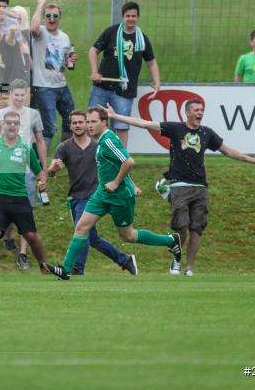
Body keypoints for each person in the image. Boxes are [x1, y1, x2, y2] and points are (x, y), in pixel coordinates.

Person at [105, 99, 255, 276]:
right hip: (179, 185)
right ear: (187, 112)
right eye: (196, 110)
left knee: (197, 228)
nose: (200, 113)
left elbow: (229, 152)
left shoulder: (207, 133)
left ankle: (189, 267)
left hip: (200, 187)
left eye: (202, 110)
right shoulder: (175, 129)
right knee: (181, 226)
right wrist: (115, 116)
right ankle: (177, 257)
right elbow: (144, 123)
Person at [45, 107, 182, 281]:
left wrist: (118, 182)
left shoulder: (109, 140)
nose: (89, 125)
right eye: (88, 121)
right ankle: (66, 270)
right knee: (82, 227)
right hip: (102, 194)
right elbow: (118, 164)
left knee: (129, 235)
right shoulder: (100, 141)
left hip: (119, 197)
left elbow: (128, 161)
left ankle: (171, 241)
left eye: (93, 122)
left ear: (104, 122)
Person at [48, 110, 136, 276]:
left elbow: (120, 165)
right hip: (75, 197)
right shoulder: (64, 147)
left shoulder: (98, 146)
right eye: (75, 123)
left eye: (83, 122)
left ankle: (75, 269)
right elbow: (50, 172)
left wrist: (131, 184)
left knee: (82, 231)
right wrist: (53, 169)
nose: (80, 125)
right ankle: (125, 260)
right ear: (70, 125)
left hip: (95, 196)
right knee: (92, 238)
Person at [0, 111, 55, 276]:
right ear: (3, 125)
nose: (12, 126)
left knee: (31, 235)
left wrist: (42, 182)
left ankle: (43, 265)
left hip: (19, 197)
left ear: (19, 126)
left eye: (15, 123)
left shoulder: (26, 149)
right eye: (8, 123)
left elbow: (39, 172)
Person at [0, 79, 46, 269]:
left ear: (27, 95)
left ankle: (23, 253)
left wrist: (43, 168)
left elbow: (40, 141)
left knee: (25, 211)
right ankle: (8, 238)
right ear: (10, 94)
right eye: (16, 94)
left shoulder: (33, 114)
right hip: (3, 169)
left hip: (26, 169)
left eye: (23, 95)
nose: (19, 98)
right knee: (5, 210)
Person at [88, 2, 161, 147]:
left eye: (133, 16)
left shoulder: (142, 39)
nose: (130, 19)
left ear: (138, 17)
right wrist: (95, 72)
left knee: (121, 127)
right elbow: (93, 51)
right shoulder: (111, 32)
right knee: (93, 124)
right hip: (101, 88)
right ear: (123, 17)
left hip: (124, 91)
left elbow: (151, 61)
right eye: (128, 16)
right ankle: (91, 159)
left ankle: (121, 161)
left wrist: (157, 82)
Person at [31, 0, 77, 147]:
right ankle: (40, 165)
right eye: (48, 16)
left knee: (71, 119)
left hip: (61, 86)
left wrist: (71, 60)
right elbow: (33, 28)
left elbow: (65, 65)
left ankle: (64, 154)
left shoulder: (65, 37)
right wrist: (40, 5)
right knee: (49, 127)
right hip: (44, 87)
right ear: (44, 18)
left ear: (60, 18)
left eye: (55, 16)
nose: (52, 19)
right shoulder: (41, 33)